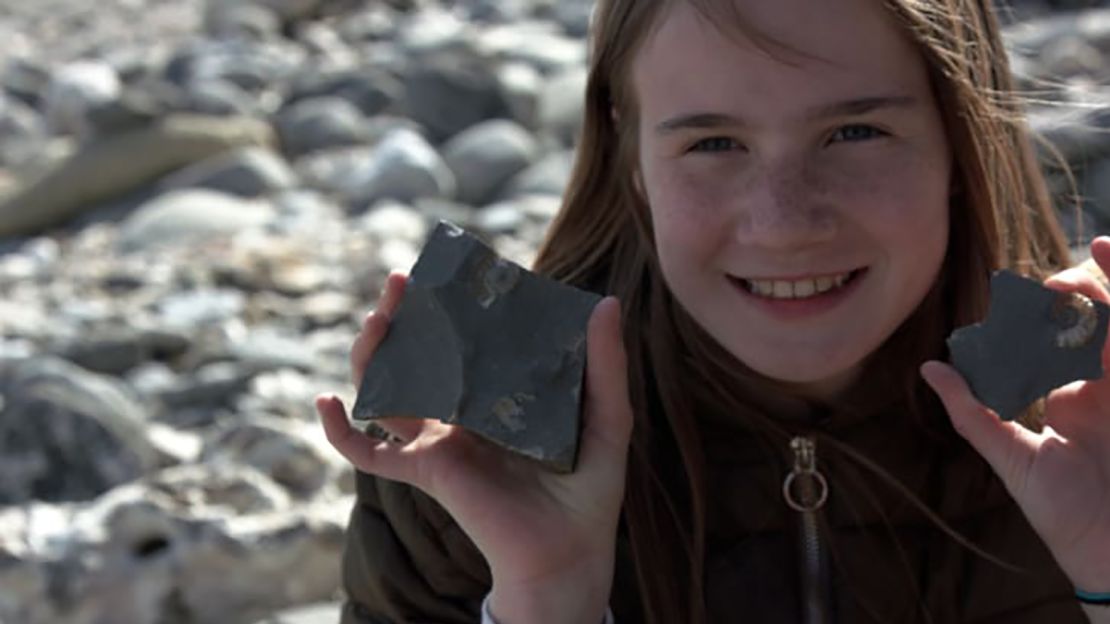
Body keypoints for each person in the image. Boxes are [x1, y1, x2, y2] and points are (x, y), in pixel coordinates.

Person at [315, 0, 1110, 621]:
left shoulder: (1087, 418)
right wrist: (546, 598)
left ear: (959, 143)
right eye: (713, 144)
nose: (784, 223)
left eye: (855, 131)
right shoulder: (475, 448)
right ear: (631, 162)